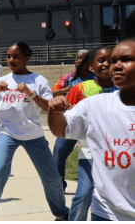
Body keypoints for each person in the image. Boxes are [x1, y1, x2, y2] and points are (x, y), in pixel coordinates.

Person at [0, 42, 69, 221]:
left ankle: (62, 212)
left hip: (34, 135)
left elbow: (49, 107)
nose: (11, 60)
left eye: (16, 57)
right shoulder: (2, 81)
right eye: (9, 56)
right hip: (7, 134)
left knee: (52, 178)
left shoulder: (39, 80)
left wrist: (30, 93)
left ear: (26, 58)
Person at [47, 38, 135, 221]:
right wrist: (54, 109)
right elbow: (62, 129)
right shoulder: (90, 100)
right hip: (106, 213)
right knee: (82, 192)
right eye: (113, 61)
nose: (115, 66)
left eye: (125, 59)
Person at [64, 46, 119, 221]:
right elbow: (66, 118)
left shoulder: (124, 90)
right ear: (91, 66)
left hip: (119, 153)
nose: (105, 64)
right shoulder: (80, 89)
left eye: (110, 61)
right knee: (84, 194)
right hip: (89, 151)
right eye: (101, 60)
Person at [52, 49, 96, 191]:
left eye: (81, 59)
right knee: (59, 152)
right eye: (76, 58)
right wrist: (62, 92)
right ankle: (59, 186)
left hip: (90, 124)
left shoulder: (96, 79)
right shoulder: (67, 78)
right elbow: (50, 92)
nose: (78, 61)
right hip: (70, 123)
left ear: (89, 63)